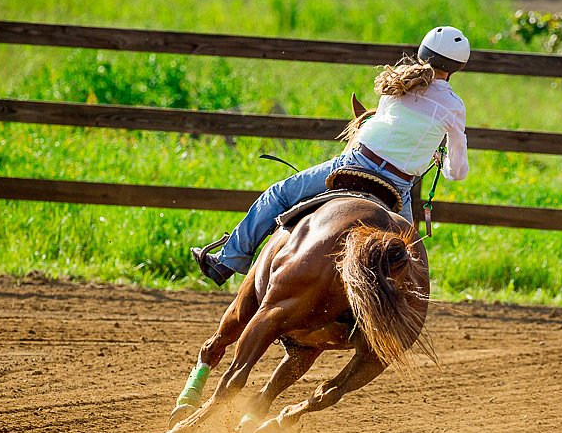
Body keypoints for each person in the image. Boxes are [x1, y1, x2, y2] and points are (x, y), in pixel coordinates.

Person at [192, 25, 471, 286]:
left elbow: (392, 128)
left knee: (279, 195)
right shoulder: (454, 106)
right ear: (457, 67)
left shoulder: (398, 83)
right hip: (397, 185)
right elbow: (457, 171)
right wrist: (443, 163)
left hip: (355, 163)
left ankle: (227, 261)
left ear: (422, 53)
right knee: (408, 260)